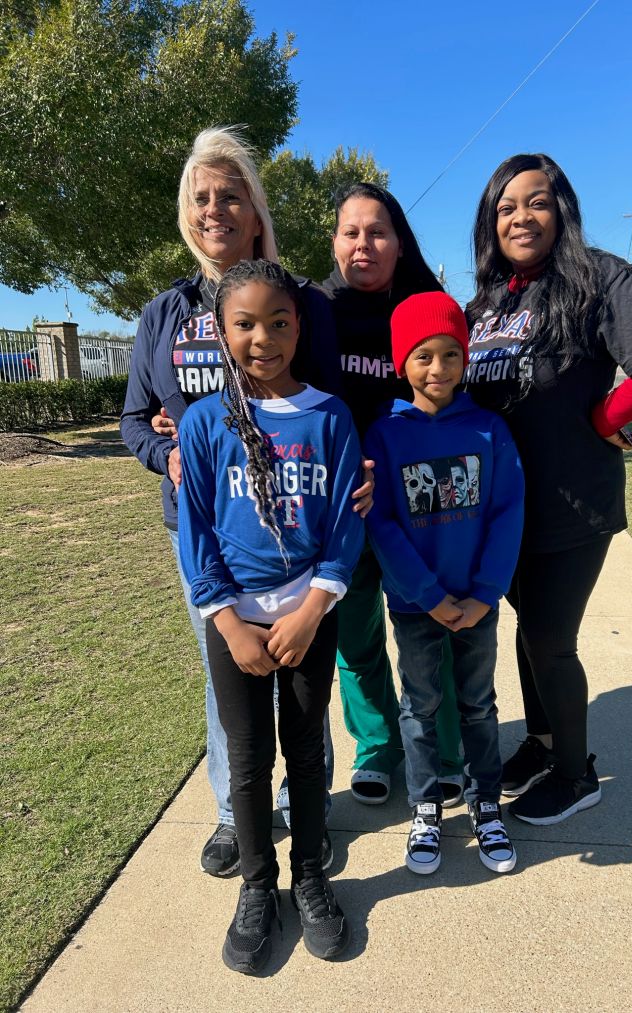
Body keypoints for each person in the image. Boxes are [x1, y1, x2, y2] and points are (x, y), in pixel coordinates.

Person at [120, 127, 365, 877]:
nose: (214, 209)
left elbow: (328, 406)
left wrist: (361, 470)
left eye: (231, 195)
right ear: (186, 212)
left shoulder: (304, 301)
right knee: (225, 663)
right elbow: (134, 421)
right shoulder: (164, 314)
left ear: (256, 211)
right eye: (200, 197)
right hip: (206, 524)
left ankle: (305, 803)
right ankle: (236, 812)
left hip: (297, 521)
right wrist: (167, 455)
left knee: (302, 672)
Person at [465, 153, 632, 826]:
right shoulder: (488, 302)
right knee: (529, 628)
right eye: (506, 207)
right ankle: (542, 743)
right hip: (505, 508)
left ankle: (575, 774)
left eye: (536, 202)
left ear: (561, 209)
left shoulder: (598, 277)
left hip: (572, 501)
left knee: (550, 638)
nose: (521, 217)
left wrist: (611, 416)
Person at [178, 259, 363, 973]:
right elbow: (196, 531)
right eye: (245, 324)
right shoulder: (204, 422)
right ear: (221, 332)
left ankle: (310, 875)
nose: (264, 338)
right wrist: (228, 624)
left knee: (308, 752)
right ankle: (258, 886)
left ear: (299, 327)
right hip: (236, 626)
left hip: (308, 618)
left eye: (279, 322)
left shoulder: (329, 415)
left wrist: (313, 610)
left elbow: (344, 524)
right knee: (250, 759)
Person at [365, 292, 524, 875]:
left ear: (465, 359)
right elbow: (381, 522)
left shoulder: (489, 429)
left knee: (479, 705)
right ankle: (427, 808)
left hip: (477, 604)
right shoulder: (385, 434)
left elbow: (507, 511)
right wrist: (429, 596)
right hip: (416, 605)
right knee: (420, 707)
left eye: (451, 354)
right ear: (401, 363)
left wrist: (485, 593)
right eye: (423, 355)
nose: (438, 368)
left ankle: (486, 804)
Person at [323, 183, 464, 806]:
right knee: (356, 639)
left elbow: (466, 395)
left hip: (422, 506)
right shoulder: (314, 310)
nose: (364, 244)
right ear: (334, 241)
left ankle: (445, 750)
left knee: (434, 630)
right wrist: (176, 415)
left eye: (377, 232)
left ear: (399, 241)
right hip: (344, 507)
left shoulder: (430, 307)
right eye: (351, 232)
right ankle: (377, 745)